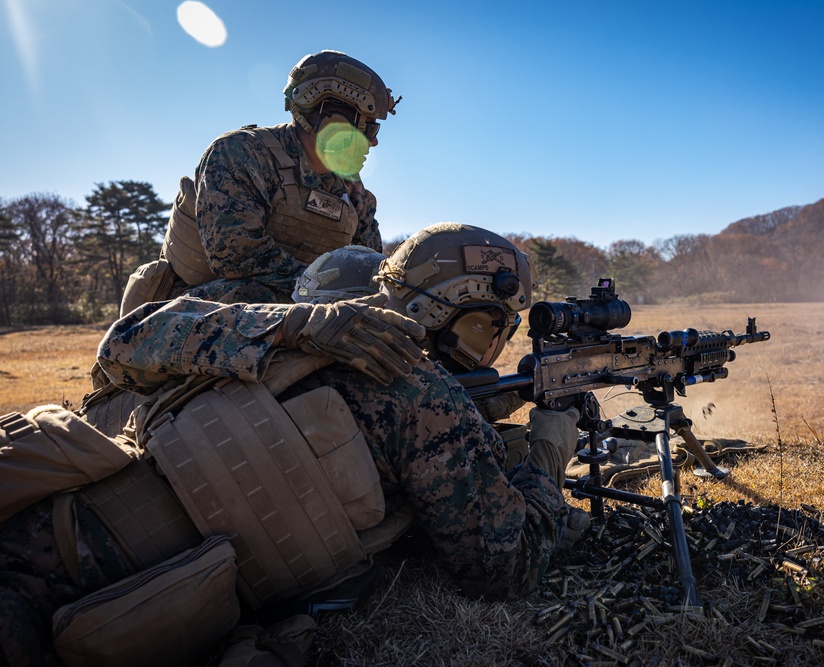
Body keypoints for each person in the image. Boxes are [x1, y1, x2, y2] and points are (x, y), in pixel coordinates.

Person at [0, 224, 583, 666]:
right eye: (486, 327)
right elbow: (503, 569)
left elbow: (124, 343)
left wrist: (293, 325)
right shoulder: (425, 395)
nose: (492, 347)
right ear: (436, 309)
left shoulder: (300, 330)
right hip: (114, 603)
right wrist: (549, 453)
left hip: (47, 522)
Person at [119, 50, 399, 312]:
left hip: (302, 308)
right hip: (201, 310)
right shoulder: (241, 153)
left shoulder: (351, 192)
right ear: (331, 120)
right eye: (369, 127)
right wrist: (325, 293)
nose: (374, 142)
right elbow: (235, 256)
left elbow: (371, 270)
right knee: (256, 294)